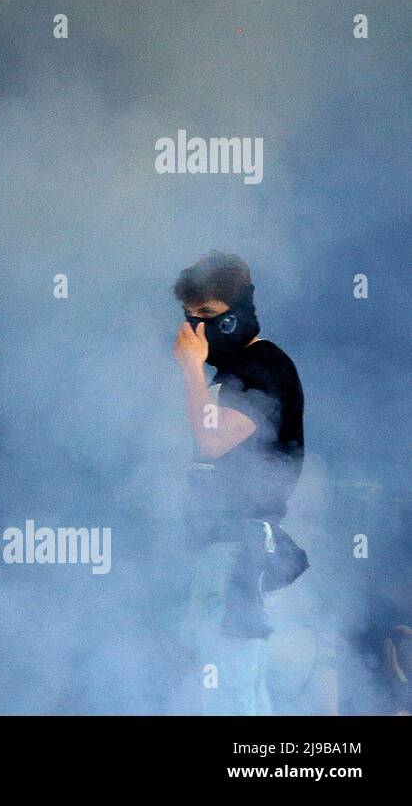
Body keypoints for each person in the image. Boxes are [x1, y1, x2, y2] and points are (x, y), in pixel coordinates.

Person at [171, 251, 307, 714]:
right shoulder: (237, 374)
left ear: (239, 310)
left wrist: (190, 369)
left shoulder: (261, 367)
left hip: (238, 552)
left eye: (208, 314)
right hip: (229, 548)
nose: (195, 328)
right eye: (189, 317)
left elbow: (212, 440)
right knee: (240, 685)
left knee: (227, 689)